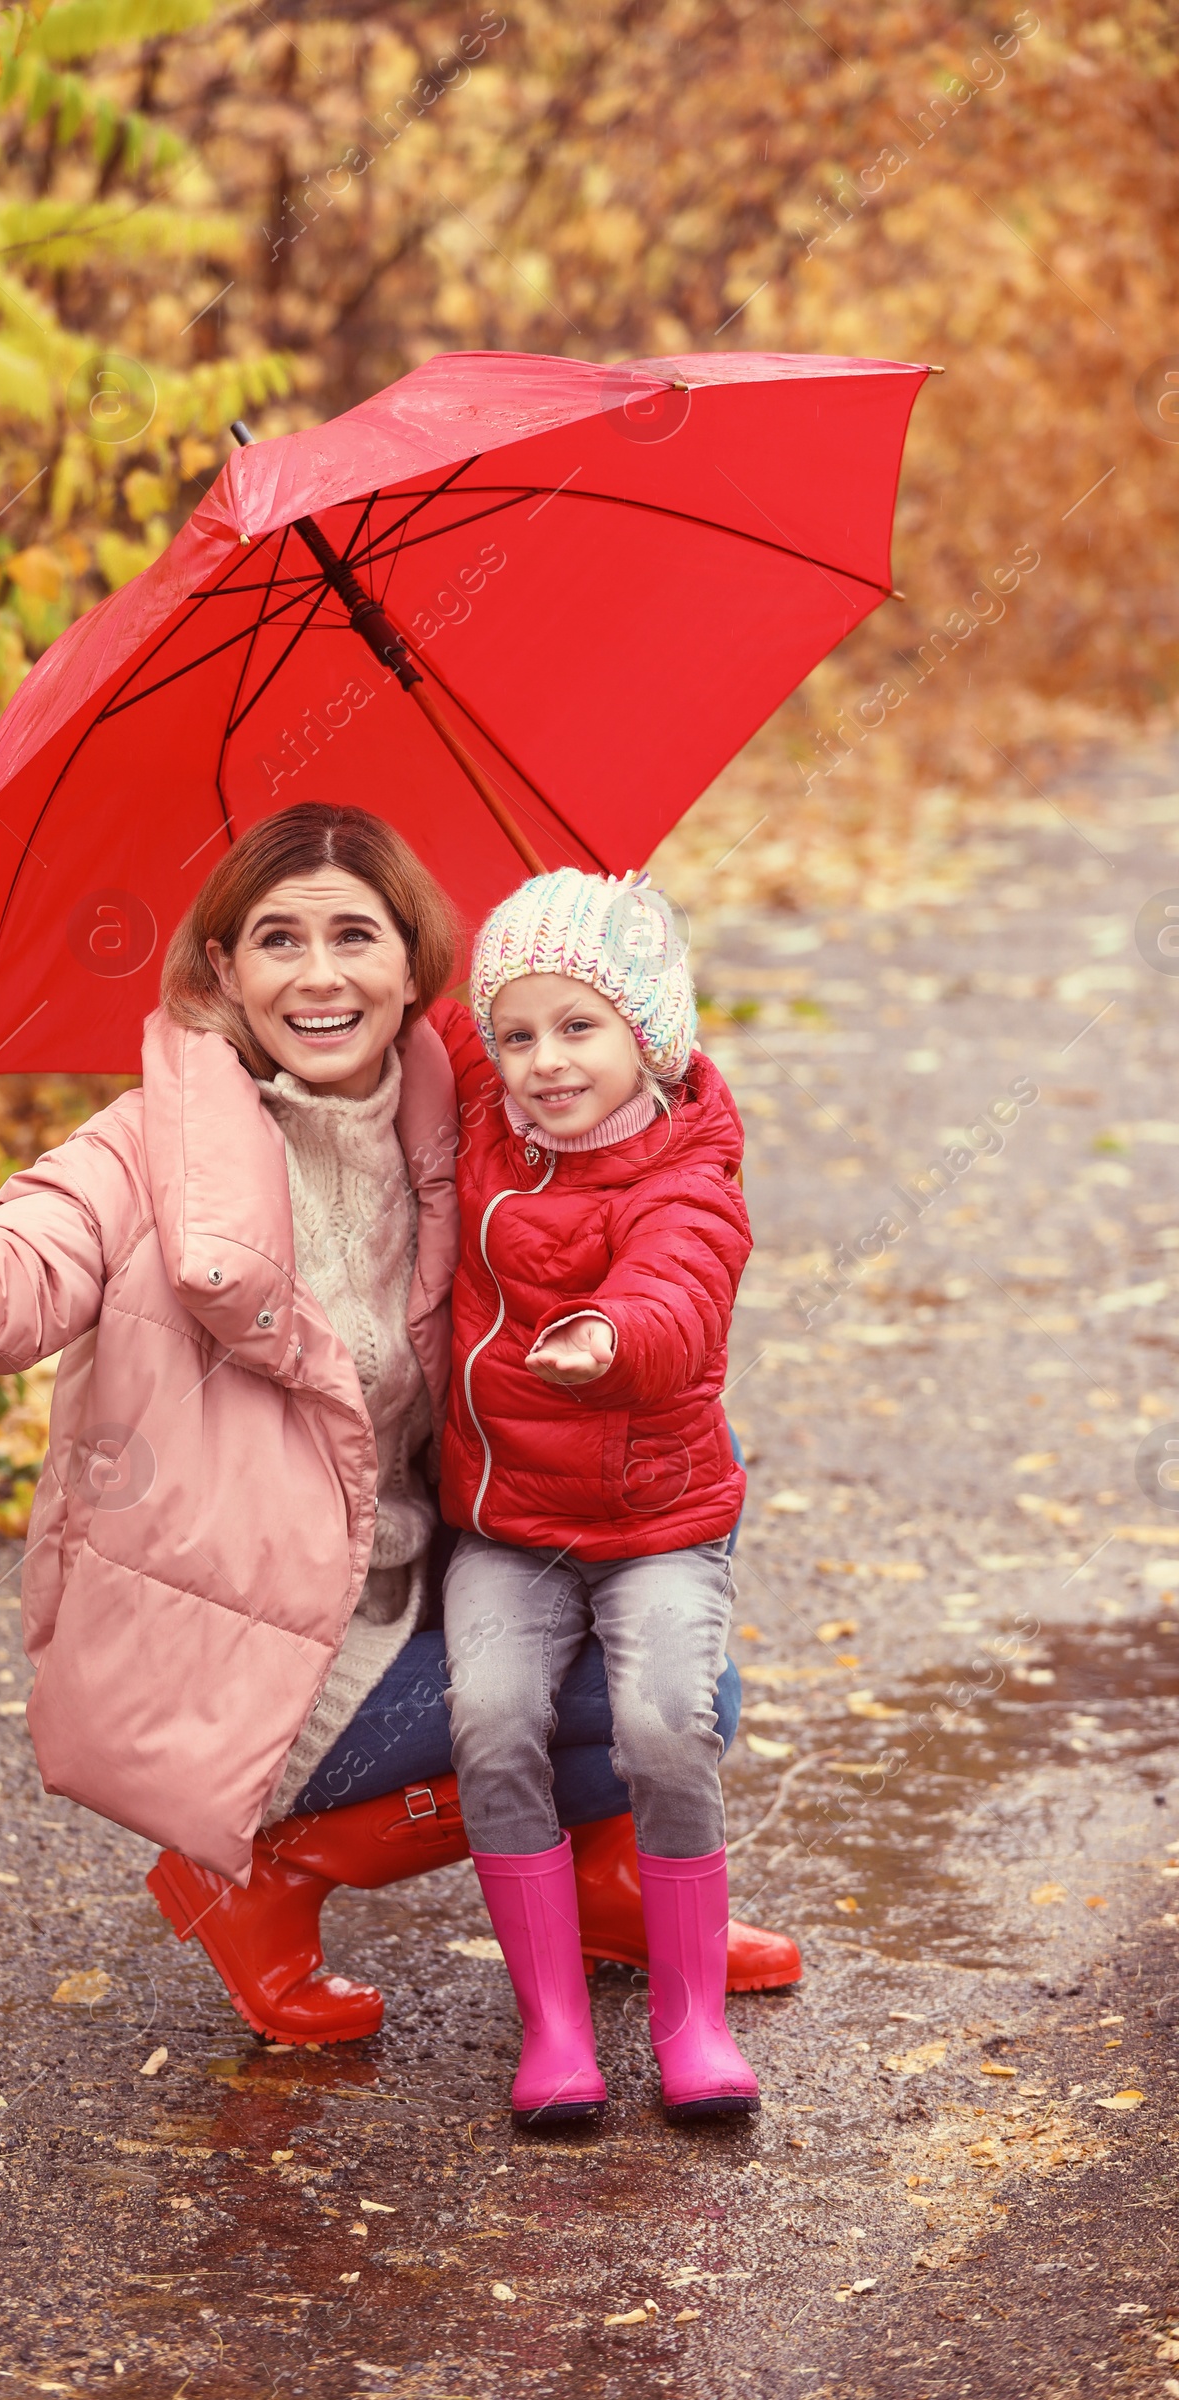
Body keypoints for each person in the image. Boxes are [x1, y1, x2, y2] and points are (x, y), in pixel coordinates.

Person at [0, 805, 797, 2053]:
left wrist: (658, 1063)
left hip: (428, 1564)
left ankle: (609, 1888)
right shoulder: (152, 1148)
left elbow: (641, 1119)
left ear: (414, 962)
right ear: (223, 968)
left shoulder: (469, 1098)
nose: (318, 977)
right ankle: (266, 1877)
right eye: (276, 940)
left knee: (685, 1679)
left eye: (353, 937)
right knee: (582, 1709)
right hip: (266, 1634)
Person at [435, 867, 758, 2128]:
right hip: (508, 1524)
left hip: (652, 1526)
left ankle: (690, 2017)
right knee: (494, 1719)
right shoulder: (487, 1122)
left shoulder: (689, 1170)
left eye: (580, 1028)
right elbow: (418, 1020)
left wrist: (613, 1337)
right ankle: (555, 2023)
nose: (543, 1061)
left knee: (666, 1725)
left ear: (652, 1032)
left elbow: (682, 1290)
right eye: (516, 1032)